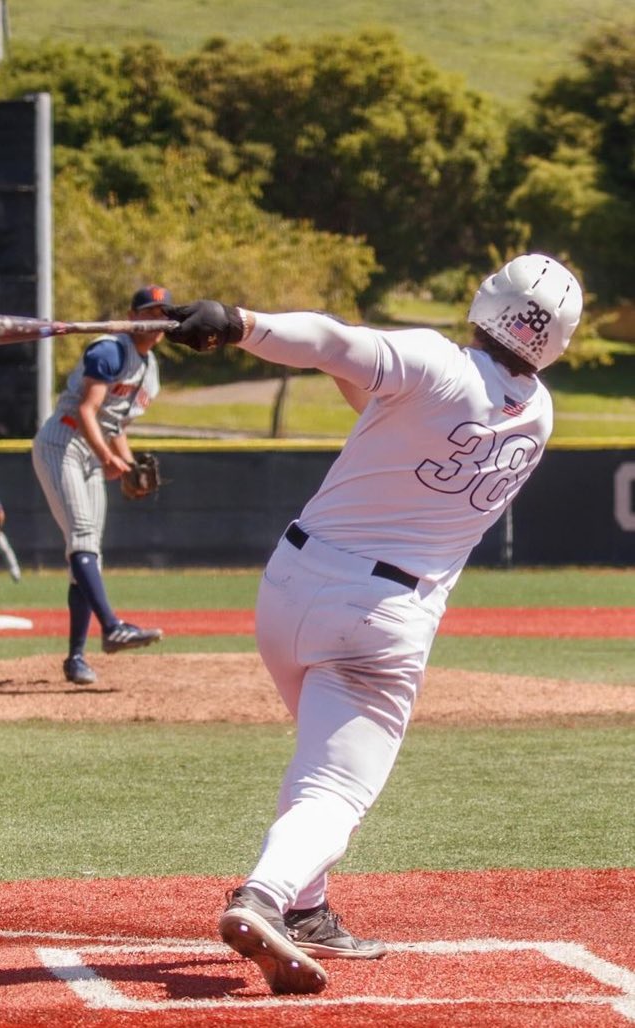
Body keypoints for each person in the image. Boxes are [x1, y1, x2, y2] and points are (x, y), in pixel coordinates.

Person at [163, 253, 582, 996]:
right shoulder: (537, 413)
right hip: (379, 620)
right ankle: (265, 896)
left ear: (487, 301)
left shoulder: (432, 362)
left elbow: (334, 346)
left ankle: (308, 909)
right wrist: (253, 329)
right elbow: (371, 382)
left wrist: (238, 324)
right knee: (335, 787)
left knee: (319, 765)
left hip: (289, 588)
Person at [32, 285, 171, 686]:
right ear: (132, 315)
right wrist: (109, 458)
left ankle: (76, 658)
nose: (157, 321)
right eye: (149, 313)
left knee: (89, 552)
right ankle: (111, 627)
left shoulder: (150, 371)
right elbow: (86, 409)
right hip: (62, 443)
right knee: (82, 537)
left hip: (93, 451)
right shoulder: (110, 350)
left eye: (163, 314)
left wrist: (126, 465)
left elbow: (116, 425)